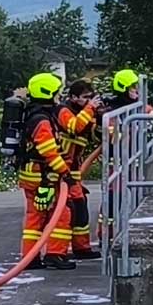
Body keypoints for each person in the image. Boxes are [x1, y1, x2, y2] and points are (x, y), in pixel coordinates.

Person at [13, 71, 81, 268]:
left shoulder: (32, 114)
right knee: (61, 212)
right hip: (43, 177)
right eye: (56, 93)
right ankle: (55, 254)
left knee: (36, 216)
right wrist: (65, 173)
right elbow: (48, 151)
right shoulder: (42, 120)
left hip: (32, 174)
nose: (59, 97)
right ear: (47, 93)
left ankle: (30, 257)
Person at [56, 78, 101, 260]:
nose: (89, 100)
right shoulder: (63, 111)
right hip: (59, 169)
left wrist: (100, 117)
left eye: (91, 97)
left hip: (73, 171)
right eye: (85, 98)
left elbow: (94, 135)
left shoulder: (85, 111)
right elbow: (74, 127)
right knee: (66, 211)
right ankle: (56, 252)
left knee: (81, 210)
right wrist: (90, 108)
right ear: (73, 97)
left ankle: (81, 248)